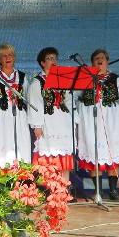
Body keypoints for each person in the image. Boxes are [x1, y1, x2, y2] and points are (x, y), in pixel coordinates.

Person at [76, 49, 119, 200]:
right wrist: (82, 111)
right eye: (96, 58)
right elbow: (74, 100)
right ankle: (98, 191)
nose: (99, 60)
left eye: (102, 58)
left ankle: (113, 190)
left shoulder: (116, 80)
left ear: (107, 61)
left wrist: (118, 115)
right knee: (93, 155)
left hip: (112, 126)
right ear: (92, 63)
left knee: (113, 155)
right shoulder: (85, 80)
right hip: (91, 125)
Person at [27, 47, 74, 184]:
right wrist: (37, 125)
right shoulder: (37, 82)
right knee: (48, 158)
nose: (53, 61)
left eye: (54, 58)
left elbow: (69, 101)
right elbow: (35, 104)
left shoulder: (62, 80)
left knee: (64, 157)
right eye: (49, 58)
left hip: (63, 123)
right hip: (48, 123)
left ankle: (63, 189)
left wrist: (74, 119)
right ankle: (49, 189)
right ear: (42, 63)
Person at [0, 44, 31, 166]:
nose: (8, 58)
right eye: (4, 55)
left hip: (19, 117)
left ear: (14, 57)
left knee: (21, 145)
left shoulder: (22, 77)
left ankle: (21, 173)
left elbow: (27, 98)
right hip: (0, 118)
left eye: (10, 55)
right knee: (2, 145)